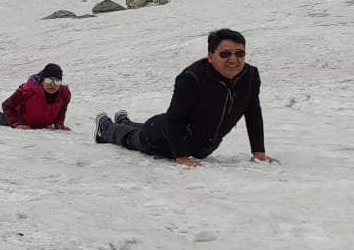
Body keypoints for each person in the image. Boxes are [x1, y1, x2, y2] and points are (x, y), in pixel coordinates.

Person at [95, 29, 277, 167]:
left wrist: (258, 152)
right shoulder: (192, 77)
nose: (233, 59)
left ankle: (125, 120)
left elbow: (252, 112)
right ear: (210, 57)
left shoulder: (250, 75)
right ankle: (105, 128)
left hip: (198, 144)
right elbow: (174, 119)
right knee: (133, 137)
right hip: (163, 138)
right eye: (225, 54)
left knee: (143, 127)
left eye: (240, 53)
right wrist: (181, 157)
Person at [0, 64, 72, 131]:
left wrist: (59, 124)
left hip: (40, 123)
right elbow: (7, 105)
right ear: (42, 81)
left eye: (57, 81)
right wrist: (16, 124)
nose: (53, 85)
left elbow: (61, 110)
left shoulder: (64, 94)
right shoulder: (27, 91)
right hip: (19, 119)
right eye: (49, 81)